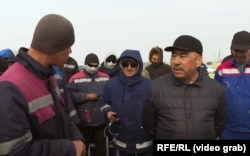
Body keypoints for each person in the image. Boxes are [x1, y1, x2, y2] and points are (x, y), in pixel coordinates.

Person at [0, 14, 86, 156]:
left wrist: (76, 137)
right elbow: (17, 151)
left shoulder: (49, 76)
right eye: (68, 46)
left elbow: (63, 115)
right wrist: (69, 148)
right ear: (53, 47)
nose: (70, 51)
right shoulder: (9, 88)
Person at [142, 35, 226, 139]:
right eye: (173, 55)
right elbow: (149, 125)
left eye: (183, 56)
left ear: (198, 61)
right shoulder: (156, 88)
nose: (176, 61)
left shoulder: (215, 89)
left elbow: (219, 125)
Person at [100, 49, 153, 156]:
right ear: (120, 65)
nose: (129, 67)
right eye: (125, 64)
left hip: (144, 141)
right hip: (121, 139)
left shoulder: (150, 85)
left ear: (139, 66)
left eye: (133, 64)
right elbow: (103, 101)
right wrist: (107, 112)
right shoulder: (111, 84)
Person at [68, 53, 110, 156]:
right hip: (83, 124)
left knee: (101, 151)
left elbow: (111, 95)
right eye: (90, 65)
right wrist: (85, 97)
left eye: (96, 65)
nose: (93, 68)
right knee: (83, 150)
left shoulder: (106, 78)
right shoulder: (74, 79)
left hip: (101, 123)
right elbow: (69, 97)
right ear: (85, 64)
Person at [214, 30, 250, 139]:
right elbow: (216, 98)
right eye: (235, 50)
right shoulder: (221, 70)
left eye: (242, 51)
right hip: (228, 130)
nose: (238, 54)